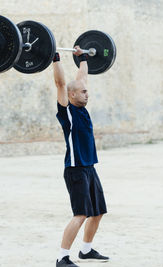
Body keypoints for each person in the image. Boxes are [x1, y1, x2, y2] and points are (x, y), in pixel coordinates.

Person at [53, 48, 109, 267]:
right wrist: (54, 57)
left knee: (98, 212)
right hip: (75, 169)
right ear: (72, 95)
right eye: (83, 92)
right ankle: (62, 257)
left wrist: (82, 56)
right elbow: (60, 84)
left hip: (89, 168)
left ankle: (86, 250)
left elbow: (82, 76)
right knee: (81, 214)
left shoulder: (83, 108)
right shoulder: (67, 111)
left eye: (87, 91)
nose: (88, 94)